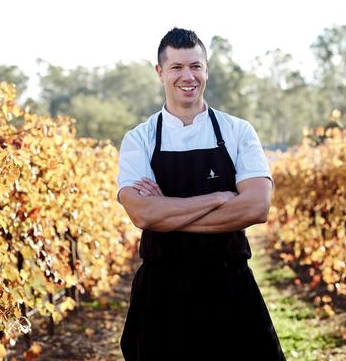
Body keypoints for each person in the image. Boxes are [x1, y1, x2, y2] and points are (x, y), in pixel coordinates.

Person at [117, 27, 286, 361]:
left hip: (230, 285)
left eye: (195, 66)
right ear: (160, 72)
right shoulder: (140, 139)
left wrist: (168, 211)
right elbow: (143, 215)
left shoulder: (238, 131)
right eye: (177, 67)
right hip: (162, 291)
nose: (187, 76)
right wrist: (217, 198)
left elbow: (256, 206)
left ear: (206, 69)